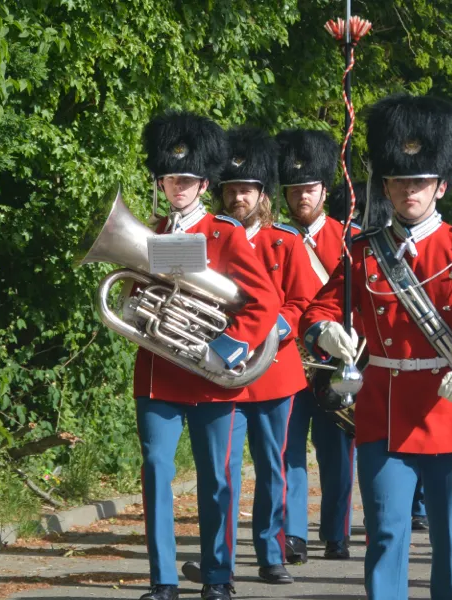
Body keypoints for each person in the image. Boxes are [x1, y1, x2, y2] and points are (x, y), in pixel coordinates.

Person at [300, 93, 452, 600]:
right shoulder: (363, 248)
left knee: (450, 541)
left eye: (419, 181)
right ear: (386, 185)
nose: (408, 190)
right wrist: (325, 333)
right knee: (385, 534)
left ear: (440, 185)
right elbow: (318, 310)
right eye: (399, 180)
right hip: (384, 413)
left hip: (448, 404)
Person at [135, 111, 281, 600]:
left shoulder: (226, 233)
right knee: (155, 470)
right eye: (170, 177)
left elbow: (264, 301)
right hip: (159, 371)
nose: (178, 185)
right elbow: (142, 293)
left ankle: (218, 576)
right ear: (160, 180)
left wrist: (226, 347)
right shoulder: (154, 230)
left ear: (203, 182)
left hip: (209, 373)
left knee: (216, 478)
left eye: (187, 178)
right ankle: (163, 579)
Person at [179, 126, 319, 588]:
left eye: (247, 190)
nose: (239, 197)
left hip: (274, 370)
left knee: (272, 466)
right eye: (232, 189)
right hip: (218, 369)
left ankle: (272, 551)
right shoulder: (210, 235)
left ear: (263, 194)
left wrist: (272, 330)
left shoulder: (286, 241)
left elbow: (305, 303)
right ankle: (219, 562)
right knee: (220, 473)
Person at [277, 129, 359, 564]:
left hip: (333, 360)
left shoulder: (350, 238)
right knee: (289, 450)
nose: (302, 197)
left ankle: (336, 532)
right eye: (294, 190)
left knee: (337, 454)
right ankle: (294, 536)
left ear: (325, 190)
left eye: (309, 188)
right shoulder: (274, 239)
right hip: (289, 358)